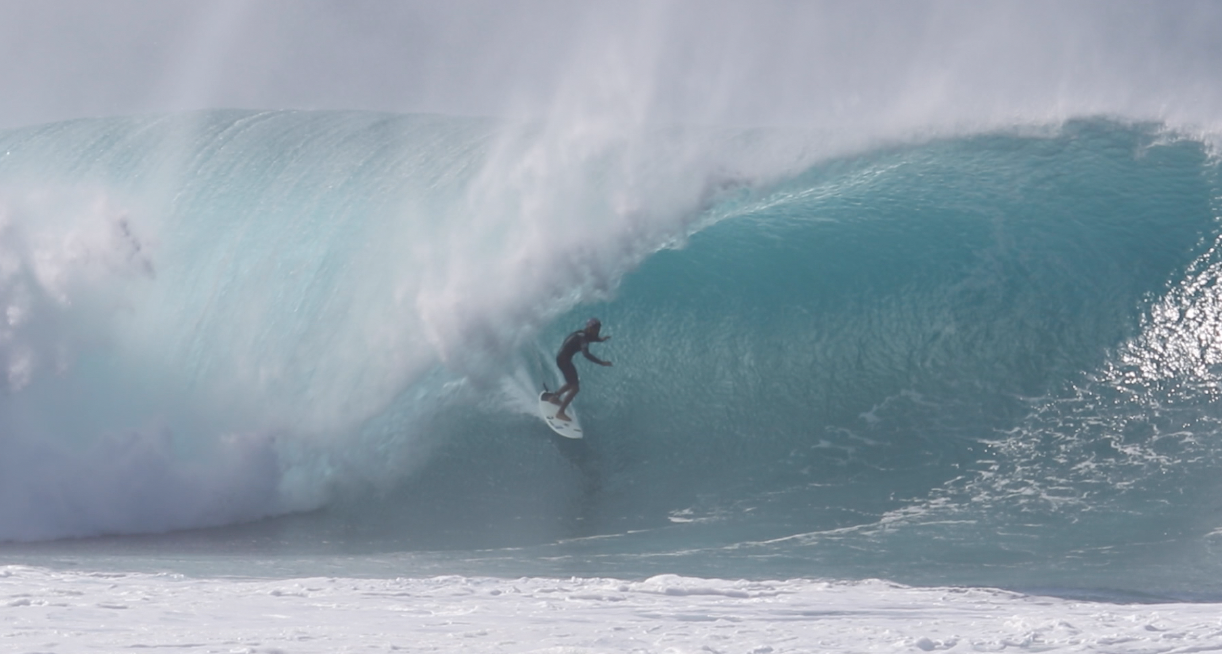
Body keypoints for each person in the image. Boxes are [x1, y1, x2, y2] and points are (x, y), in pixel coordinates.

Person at [543, 318, 612, 422]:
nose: (597, 330)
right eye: (596, 328)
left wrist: (601, 339)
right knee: (575, 388)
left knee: (572, 383)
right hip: (564, 361)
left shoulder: (582, 333)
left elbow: (590, 338)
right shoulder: (583, 338)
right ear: (589, 328)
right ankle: (560, 413)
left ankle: (554, 397)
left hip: (562, 359)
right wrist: (601, 363)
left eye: (598, 328)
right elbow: (586, 354)